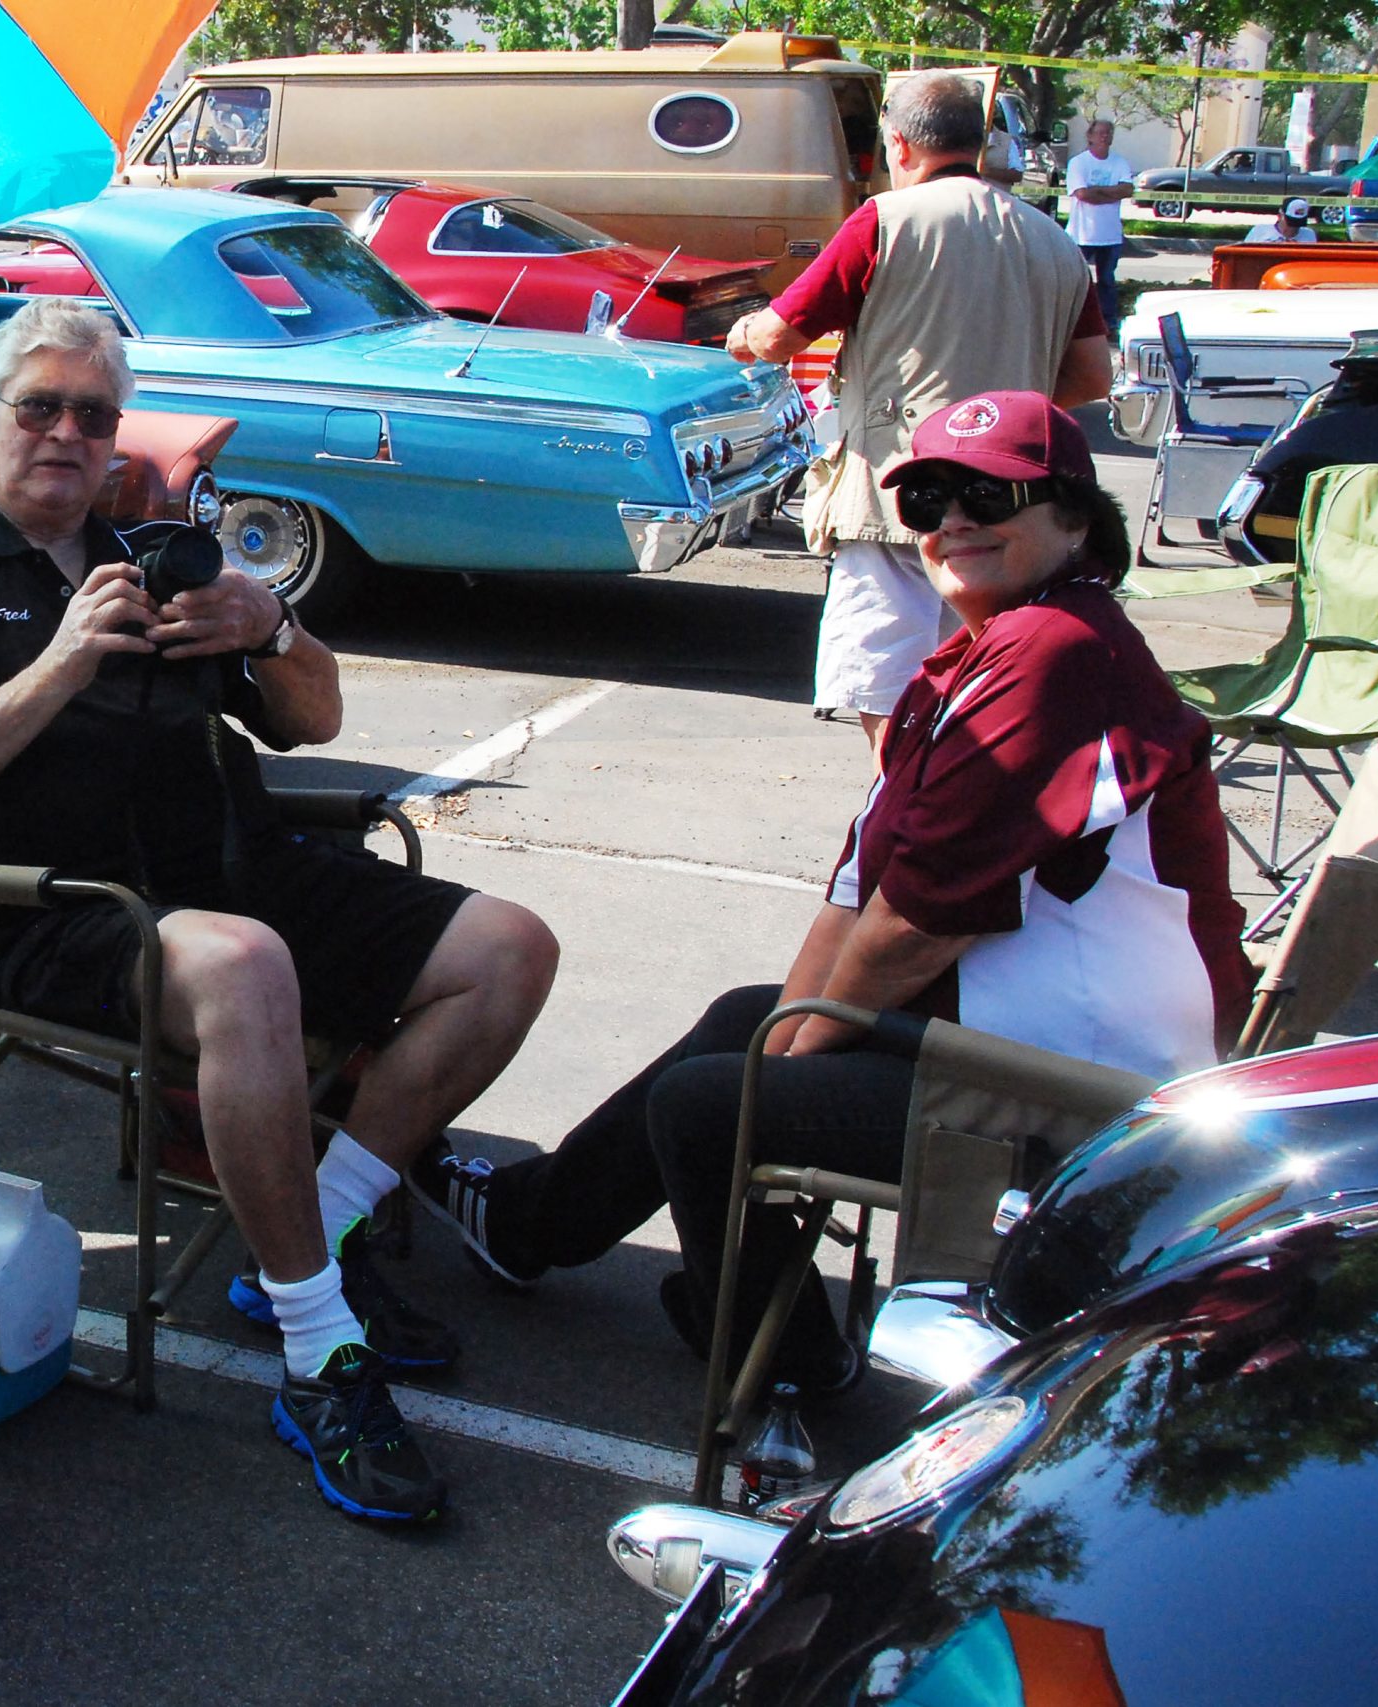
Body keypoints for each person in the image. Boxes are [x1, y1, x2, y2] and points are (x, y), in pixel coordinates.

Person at [0, 298, 559, 1524]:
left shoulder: (164, 555)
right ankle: (321, 1351)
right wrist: (60, 664)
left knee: (507, 948)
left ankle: (307, 1244)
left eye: (93, 414)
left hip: (231, 869)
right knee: (245, 963)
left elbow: (313, 720)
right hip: (45, 915)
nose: (65, 432)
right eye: (39, 405)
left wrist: (272, 624)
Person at [416, 391, 1248, 1395]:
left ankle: (791, 1365)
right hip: (1015, 1044)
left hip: (1087, 1100)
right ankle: (526, 1224)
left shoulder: (1055, 655)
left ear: (1074, 512)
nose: (952, 521)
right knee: (745, 1023)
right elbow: (862, 890)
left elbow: (918, 923)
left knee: (708, 1106)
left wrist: (791, 1066)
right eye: (929, 497)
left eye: (989, 494)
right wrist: (791, 1040)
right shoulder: (994, 650)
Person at [725, 71, 1112, 768]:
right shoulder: (1053, 240)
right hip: (1011, 500)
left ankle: (903, 831)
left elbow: (783, 334)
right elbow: (1091, 377)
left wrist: (744, 329)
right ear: (979, 143)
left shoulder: (885, 222)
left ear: (898, 145)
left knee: (889, 691)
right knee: (981, 685)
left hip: (901, 491)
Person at [1063, 118, 1133, 331]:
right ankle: (1072, 322)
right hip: (1082, 234)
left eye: (1108, 133)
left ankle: (1108, 323)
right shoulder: (1078, 163)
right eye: (1100, 132)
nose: (1104, 136)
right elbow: (1082, 194)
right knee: (1076, 282)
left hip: (1110, 235)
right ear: (1090, 136)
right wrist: (1111, 192)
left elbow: (1127, 190)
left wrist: (1098, 191)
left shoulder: (1119, 162)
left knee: (1107, 282)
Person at [1243, 196, 1318, 244]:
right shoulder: (1259, 231)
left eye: (1298, 224)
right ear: (1280, 215)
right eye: (1290, 223)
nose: (1293, 228)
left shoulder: (1309, 234)